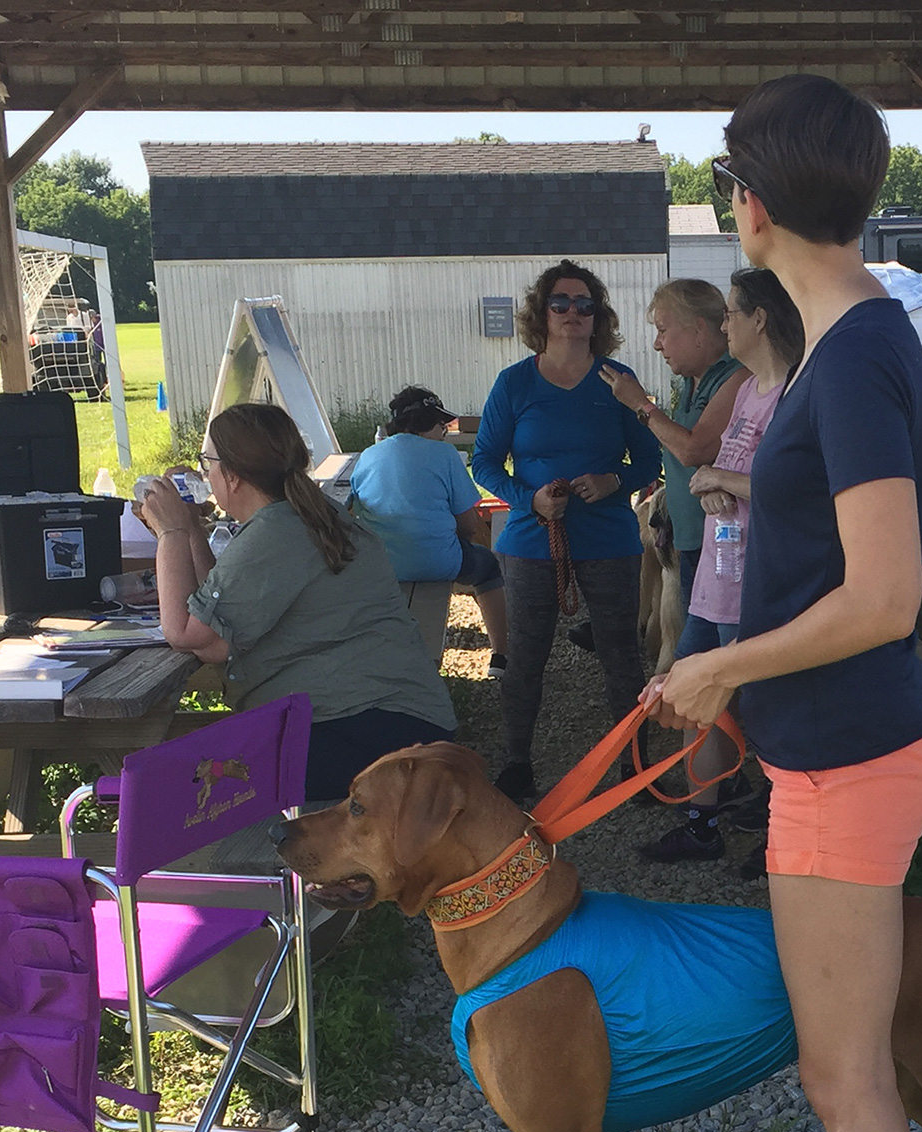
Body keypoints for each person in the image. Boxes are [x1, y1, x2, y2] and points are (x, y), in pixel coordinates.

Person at [650, 74, 922, 1132]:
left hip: (852, 754)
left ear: (752, 206)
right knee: (850, 1080)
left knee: (848, 1082)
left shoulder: (864, 350)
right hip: (836, 747)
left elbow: (886, 594)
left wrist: (724, 668)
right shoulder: (845, 341)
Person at [143, 402, 458, 802]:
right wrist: (189, 529)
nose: (206, 473)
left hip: (371, 737)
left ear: (233, 476)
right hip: (395, 725)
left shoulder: (276, 532)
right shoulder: (303, 515)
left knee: (185, 786)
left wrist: (169, 532)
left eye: (209, 463)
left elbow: (189, 634)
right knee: (201, 770)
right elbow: (217, 619)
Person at [471, 261, 663, 807]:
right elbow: (484, 462)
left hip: (609, 539)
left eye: (586, 305)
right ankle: (517, 765)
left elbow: (650, 454)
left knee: (623, 656)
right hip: (532, 541)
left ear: (598, 316)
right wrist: (527, 498)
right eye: (562, 303)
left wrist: (614, 479)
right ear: (542, 313)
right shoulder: (514, 382)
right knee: (524, 657)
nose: (574, 313)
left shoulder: (617, 379)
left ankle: (635, 766)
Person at [638, 267, 803, 866]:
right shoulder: (751, 389)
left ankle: (785, 835)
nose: (724, 322)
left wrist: (719, 479)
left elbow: (802, 488)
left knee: (767, 715)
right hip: (718, 575)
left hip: (761, 582)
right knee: (692, 693)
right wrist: (714, 488)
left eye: (731, 313)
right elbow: (722, 469)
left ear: (760, 319)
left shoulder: (794, 393)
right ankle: (701, 822)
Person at [600, 278, 746, 653]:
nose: (657, 344)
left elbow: (693, 449)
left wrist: (640, 405)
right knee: (692, 656)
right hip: (693, 545)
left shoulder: (735, 376)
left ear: (698, 329)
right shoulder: (691, 381)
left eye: (663, 330)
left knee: (711, 659)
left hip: (727, 549)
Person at [349, 385, 510, 677]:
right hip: (438, 562)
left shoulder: (369, 455)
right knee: (487, 568)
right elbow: (469, 523)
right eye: (442, 424)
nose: (444, 431)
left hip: (381, 565)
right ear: (428, 423)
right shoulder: (445, 454)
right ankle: (501, 656)